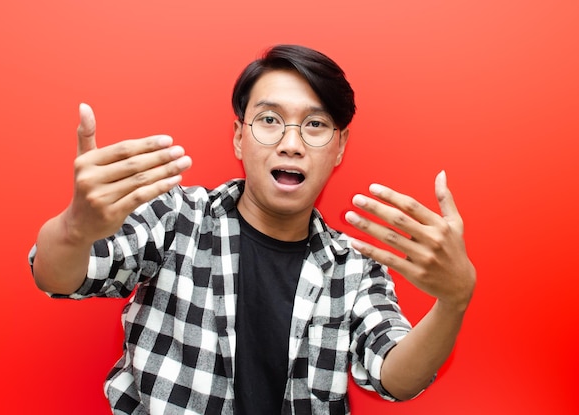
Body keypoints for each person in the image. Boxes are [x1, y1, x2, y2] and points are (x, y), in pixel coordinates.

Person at [29, 44, 476, 415]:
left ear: (339, 147)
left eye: (316, 125)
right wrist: (74, 229)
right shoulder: (177, 217)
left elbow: (394, 375)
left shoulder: (354, 268)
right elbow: (58, 276)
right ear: (239, 137)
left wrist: (453, 301)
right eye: (269, 120)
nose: (291, 143)